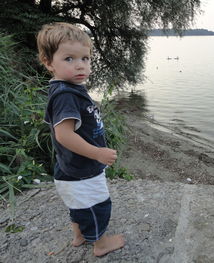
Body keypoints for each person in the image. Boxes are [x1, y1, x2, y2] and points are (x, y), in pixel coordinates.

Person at [37, 22, 125, 257]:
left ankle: (78, 236)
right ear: (48, 62)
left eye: (85, 58)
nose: (80, 65)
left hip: (69, 168)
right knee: (98, 205)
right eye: (69, 59)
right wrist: (98, 153)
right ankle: (101, 244)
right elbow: (63, 135)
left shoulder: (65, 88)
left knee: (78, 205)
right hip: (82, 169)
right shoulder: (66, 95)